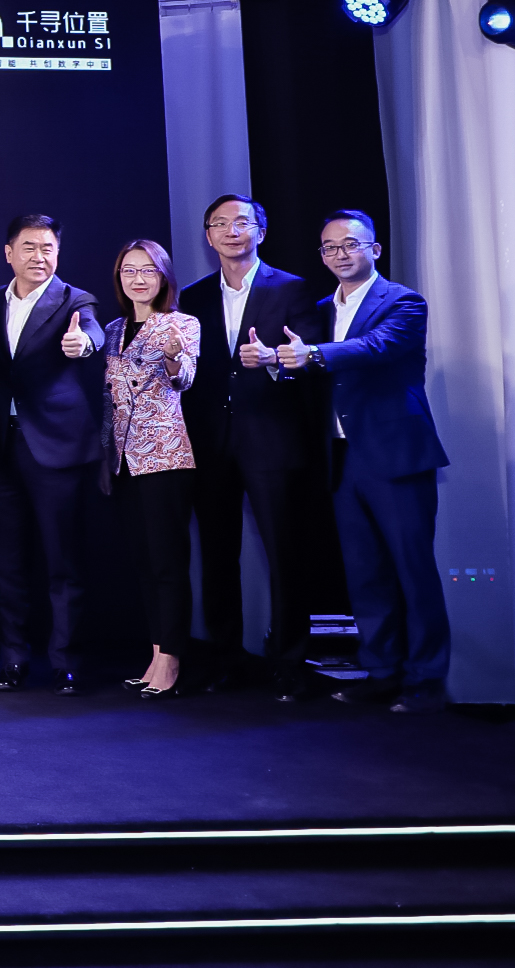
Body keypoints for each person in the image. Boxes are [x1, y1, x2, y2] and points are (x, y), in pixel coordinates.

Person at [276, 211, 449, 714]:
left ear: (374, 249)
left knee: (413, 572)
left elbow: (376, 347)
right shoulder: (318, 310)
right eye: (329, 247)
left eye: (350, 244)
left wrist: (312, 355)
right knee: (364, 573)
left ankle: (426, 679)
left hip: (395, 455)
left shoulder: (403, 302)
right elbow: (310, 368)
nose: (339, 254)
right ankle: (381, 671)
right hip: (341, 458)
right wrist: (277, 363)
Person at [179, 194, 334, 699]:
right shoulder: (193, 297)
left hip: (272, 439)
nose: (231, 231)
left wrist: (273, 361)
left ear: (260, 233)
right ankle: (225, 658)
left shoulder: (292, 288)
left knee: (284, 552)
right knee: (217, 554)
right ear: (208, 236)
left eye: (241, 222)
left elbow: (309, 361)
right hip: (210, 442)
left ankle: (289, 661)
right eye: (219, 224)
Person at [0, 213, 105, 695]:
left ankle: (65, 662)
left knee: (62, 561)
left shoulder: (75, 300)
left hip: (56, 448)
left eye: (48, 248)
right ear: (9, 253)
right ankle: (13, 660)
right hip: (0, 447)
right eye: (29, 247)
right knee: (6, 561)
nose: (39, 257)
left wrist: (83, 342)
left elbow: (93, 334)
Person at [101, 240, 199, 699]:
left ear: (163, 277)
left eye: (148, 270)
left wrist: (175, 357)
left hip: (163, 457)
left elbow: (185, 378)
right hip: (122, 460)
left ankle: (172, 659)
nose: (138, 279)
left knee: (168, 562)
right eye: (129, 271)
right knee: (143, 561)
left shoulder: (182, 323)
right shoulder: (112, 328)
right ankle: (156, 653)